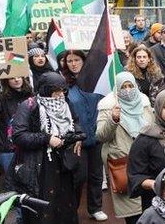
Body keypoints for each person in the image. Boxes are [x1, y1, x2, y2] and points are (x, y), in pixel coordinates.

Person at [11, 72, 84, 224]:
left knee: (65, 206)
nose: (59, 95)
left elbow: (75, 122)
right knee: (44, 209)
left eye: (62, 90)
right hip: (40, 165)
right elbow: (19, 135)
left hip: (63, 163)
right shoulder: (29, 106)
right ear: (45, 90)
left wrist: (77, 137)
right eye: (55, 91)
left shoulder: (65, 102)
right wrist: (47, 138)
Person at [97, 71, 154, 224]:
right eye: (123, 87)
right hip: (123, 164)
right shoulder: (108, 106)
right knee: (134, 214)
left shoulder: (145, 104)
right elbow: (101, 136)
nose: (127, 90)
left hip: (147, 163)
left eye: (130, 86)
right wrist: (113, 120)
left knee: (150, 208)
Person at [60, 50, 107, 221]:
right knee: (79, 176)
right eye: (69, 61)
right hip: (77, 138)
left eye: (77, 60)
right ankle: (72, 207)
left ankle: (95, 208)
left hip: (96, 134)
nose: (73, 63)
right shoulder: (65, 85)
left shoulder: (97, 81)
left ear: (84, 61)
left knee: (96, 174)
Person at [0, 74, 33, 179]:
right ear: (6, 81)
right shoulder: (2, 97)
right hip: (8, 148)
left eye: (19, 77)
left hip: (29, 145)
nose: (16, 79)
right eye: (12, 78)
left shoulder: (31, 96)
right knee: (14, 181)